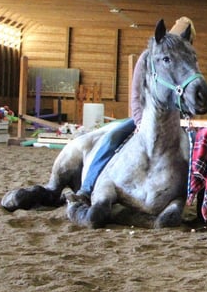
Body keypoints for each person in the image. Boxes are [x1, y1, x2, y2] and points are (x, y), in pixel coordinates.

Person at [68, 17, 196, 203]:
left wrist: (188, 114)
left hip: (176, 122)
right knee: (112, 138)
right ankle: (87, 188)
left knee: (193, 149)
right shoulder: (148, 57)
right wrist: (139, 121)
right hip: (146, 119)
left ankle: (188, 192)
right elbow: (136, 93)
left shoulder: (184, 60)